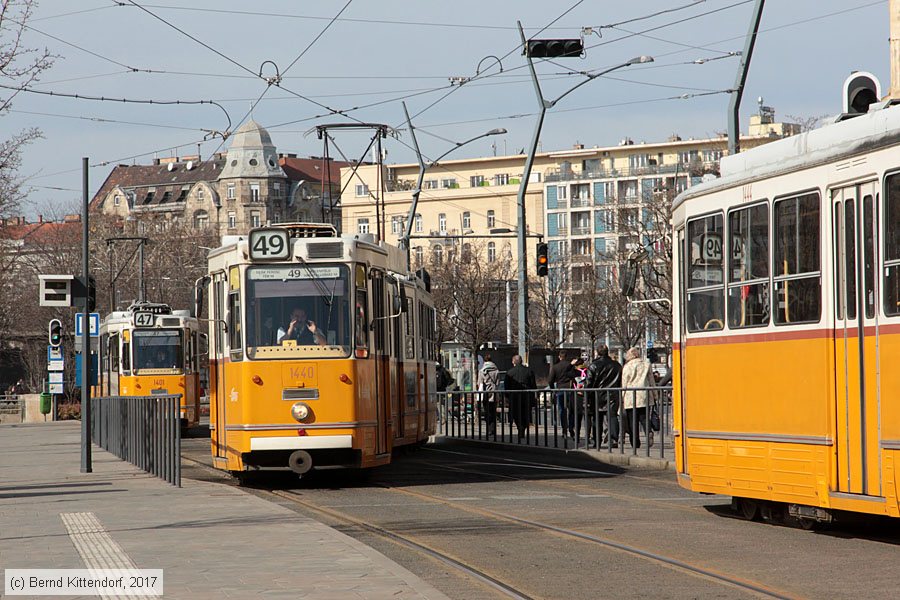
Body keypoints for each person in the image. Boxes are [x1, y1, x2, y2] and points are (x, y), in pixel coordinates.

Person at [585, 344, 622, 449]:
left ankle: (597, 441)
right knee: (613, 417)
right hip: (613, 395)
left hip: (597, 395)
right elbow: (620, 381)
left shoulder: (593, 365)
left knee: (597, 419)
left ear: (597, 352)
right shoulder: (616, 365)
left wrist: (586, 395)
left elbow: (589, 382)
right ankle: (614, 439)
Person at [621, 347, 653, 449]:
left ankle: (635, 442)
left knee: (632, 420)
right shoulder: (646, 364)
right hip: (644, 394)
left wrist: (622, 397)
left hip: (631, 396)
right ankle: (648, 431)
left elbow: (624, 383)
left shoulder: (627, 366)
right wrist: (655, 395)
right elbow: (651, 381)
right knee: (644, 417)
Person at [504, 354, 536, 440]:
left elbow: (506, 386)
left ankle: (519, 427)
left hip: (514, 397)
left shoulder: (510, 372)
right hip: (526, 396)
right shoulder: (529, 371)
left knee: (516, 413)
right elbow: (533, 385)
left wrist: (507, 397)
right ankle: (523, 428)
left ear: (514, 361)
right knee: (525, 413)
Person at [547, 350, 577, 438]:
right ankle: (571, 428)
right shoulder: (570, 365)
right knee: (571, 410)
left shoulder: (555, 367)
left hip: (560, 390)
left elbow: (550, 380)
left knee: (562, 411)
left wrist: (553, 389)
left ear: (559, 357)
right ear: (566, 357)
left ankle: (564, 430)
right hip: (570, 390)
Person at [477, 353, 501, 439]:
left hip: (485, 394)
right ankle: (493, 430)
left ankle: (488, 430)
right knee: (493, 412)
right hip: (494, 393)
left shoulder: (482, 371)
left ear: (484, 361)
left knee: (487, 412)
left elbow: (479, 383)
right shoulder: (496, 370)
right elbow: (498, 383)